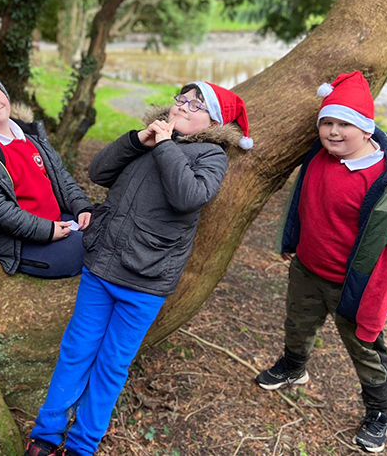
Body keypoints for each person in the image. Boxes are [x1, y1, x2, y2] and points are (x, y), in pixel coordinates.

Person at [25, 82, 252, 456]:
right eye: (182, 99)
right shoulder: (149, 141)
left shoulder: (212, 155)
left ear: (213, 122)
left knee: (112, 364)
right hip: (101, 266)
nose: (183, 106)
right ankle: (46, 434)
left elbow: (189, 196)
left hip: (146, 279)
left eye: (197, 105)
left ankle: (82, 444)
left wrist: (165, 147)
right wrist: (138, 140)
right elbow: (98, 171)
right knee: (76, 350)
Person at [256, 71, 387, 453]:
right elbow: (305, 202)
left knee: (365, 348)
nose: (334, 132)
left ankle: (378, 412)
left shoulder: (385, 182)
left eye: (345, 124)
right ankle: (293, 366)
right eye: (327, 123)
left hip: (352, 285)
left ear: (366, 129)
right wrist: (293, 240)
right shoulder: (319, 157)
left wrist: (375, 301)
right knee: (297, 322)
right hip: (307, 268)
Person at [0, 69, 93, 278]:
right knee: (85, 249)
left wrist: (81, 207)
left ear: (5, 96)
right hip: (20, 239)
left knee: (103, 227)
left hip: (57, 219)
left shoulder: (30, 135)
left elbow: (62, 178)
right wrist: (47, 231)